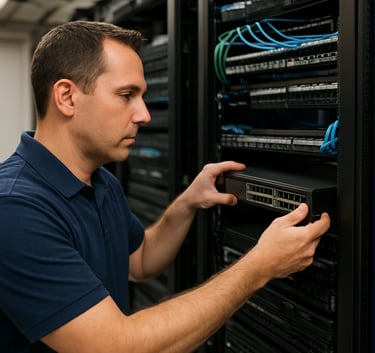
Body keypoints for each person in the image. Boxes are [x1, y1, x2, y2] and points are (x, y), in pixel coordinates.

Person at [0, 20, 330, 353]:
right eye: (127, 95)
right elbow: (114, 347)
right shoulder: (14, 209)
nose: (143, 114)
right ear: (67, 97)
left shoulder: (100, 181)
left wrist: (187, 203)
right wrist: (259, 266)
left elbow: (140, 260)